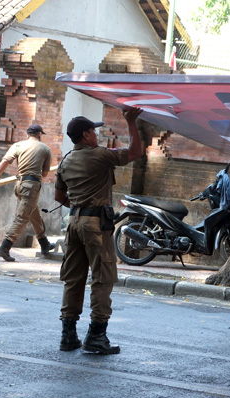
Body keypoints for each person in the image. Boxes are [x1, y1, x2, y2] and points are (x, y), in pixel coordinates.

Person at [53, 108, 143, 354]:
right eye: (93, 131)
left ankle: (68, 335)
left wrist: (81, 206)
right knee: (103, 279)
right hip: (95, 227)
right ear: (85, 135)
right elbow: (136, 152)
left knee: (73, 280)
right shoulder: (101, 155)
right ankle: (96, 336)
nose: (96, 134)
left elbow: (58, 196)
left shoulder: (66, 159)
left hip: (73, 224)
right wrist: (131, 122)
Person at [0, 123, 55, 262]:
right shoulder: (45, 149)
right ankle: (4, 247)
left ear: (27, 134)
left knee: (33, 213)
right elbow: (44, 174)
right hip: (31, 186)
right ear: (39, 134)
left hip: (19, 186)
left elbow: (5, 161)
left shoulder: (18, 145)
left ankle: (44, 243)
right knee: (22, 218)